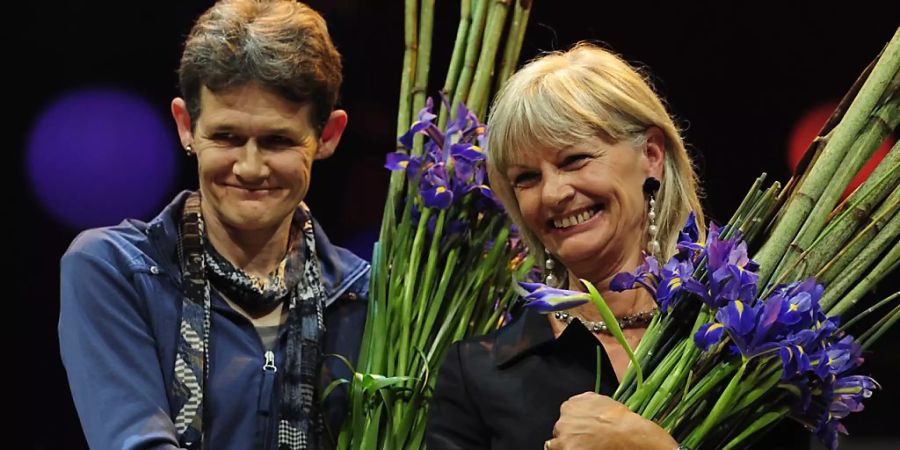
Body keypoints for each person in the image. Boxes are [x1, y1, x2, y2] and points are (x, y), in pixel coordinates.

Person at [426, 43, 809, 450]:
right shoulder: (479, 373)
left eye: (574, 160)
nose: (553, 193)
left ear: (651, 155)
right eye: (526, 178)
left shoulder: (744, 343)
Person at [58, 1, 368, 449]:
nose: (249, 167)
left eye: (277, 140)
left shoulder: (365, 297)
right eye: (226, 137)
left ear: (329, 136)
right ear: (186, 126)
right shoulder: (114, 269)